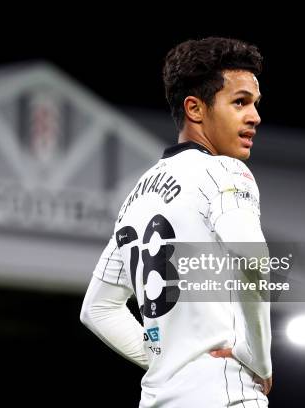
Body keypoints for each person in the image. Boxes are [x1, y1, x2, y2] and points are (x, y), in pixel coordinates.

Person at [80, 36, 272, 407]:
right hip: (226, 394)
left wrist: (168, 361)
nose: (255, 116)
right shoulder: (225, 172)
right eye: (240, 102)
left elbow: (98, 309)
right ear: (195, 109)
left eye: (255, 104)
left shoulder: (138, 196)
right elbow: (252, 259)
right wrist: (258, 358)